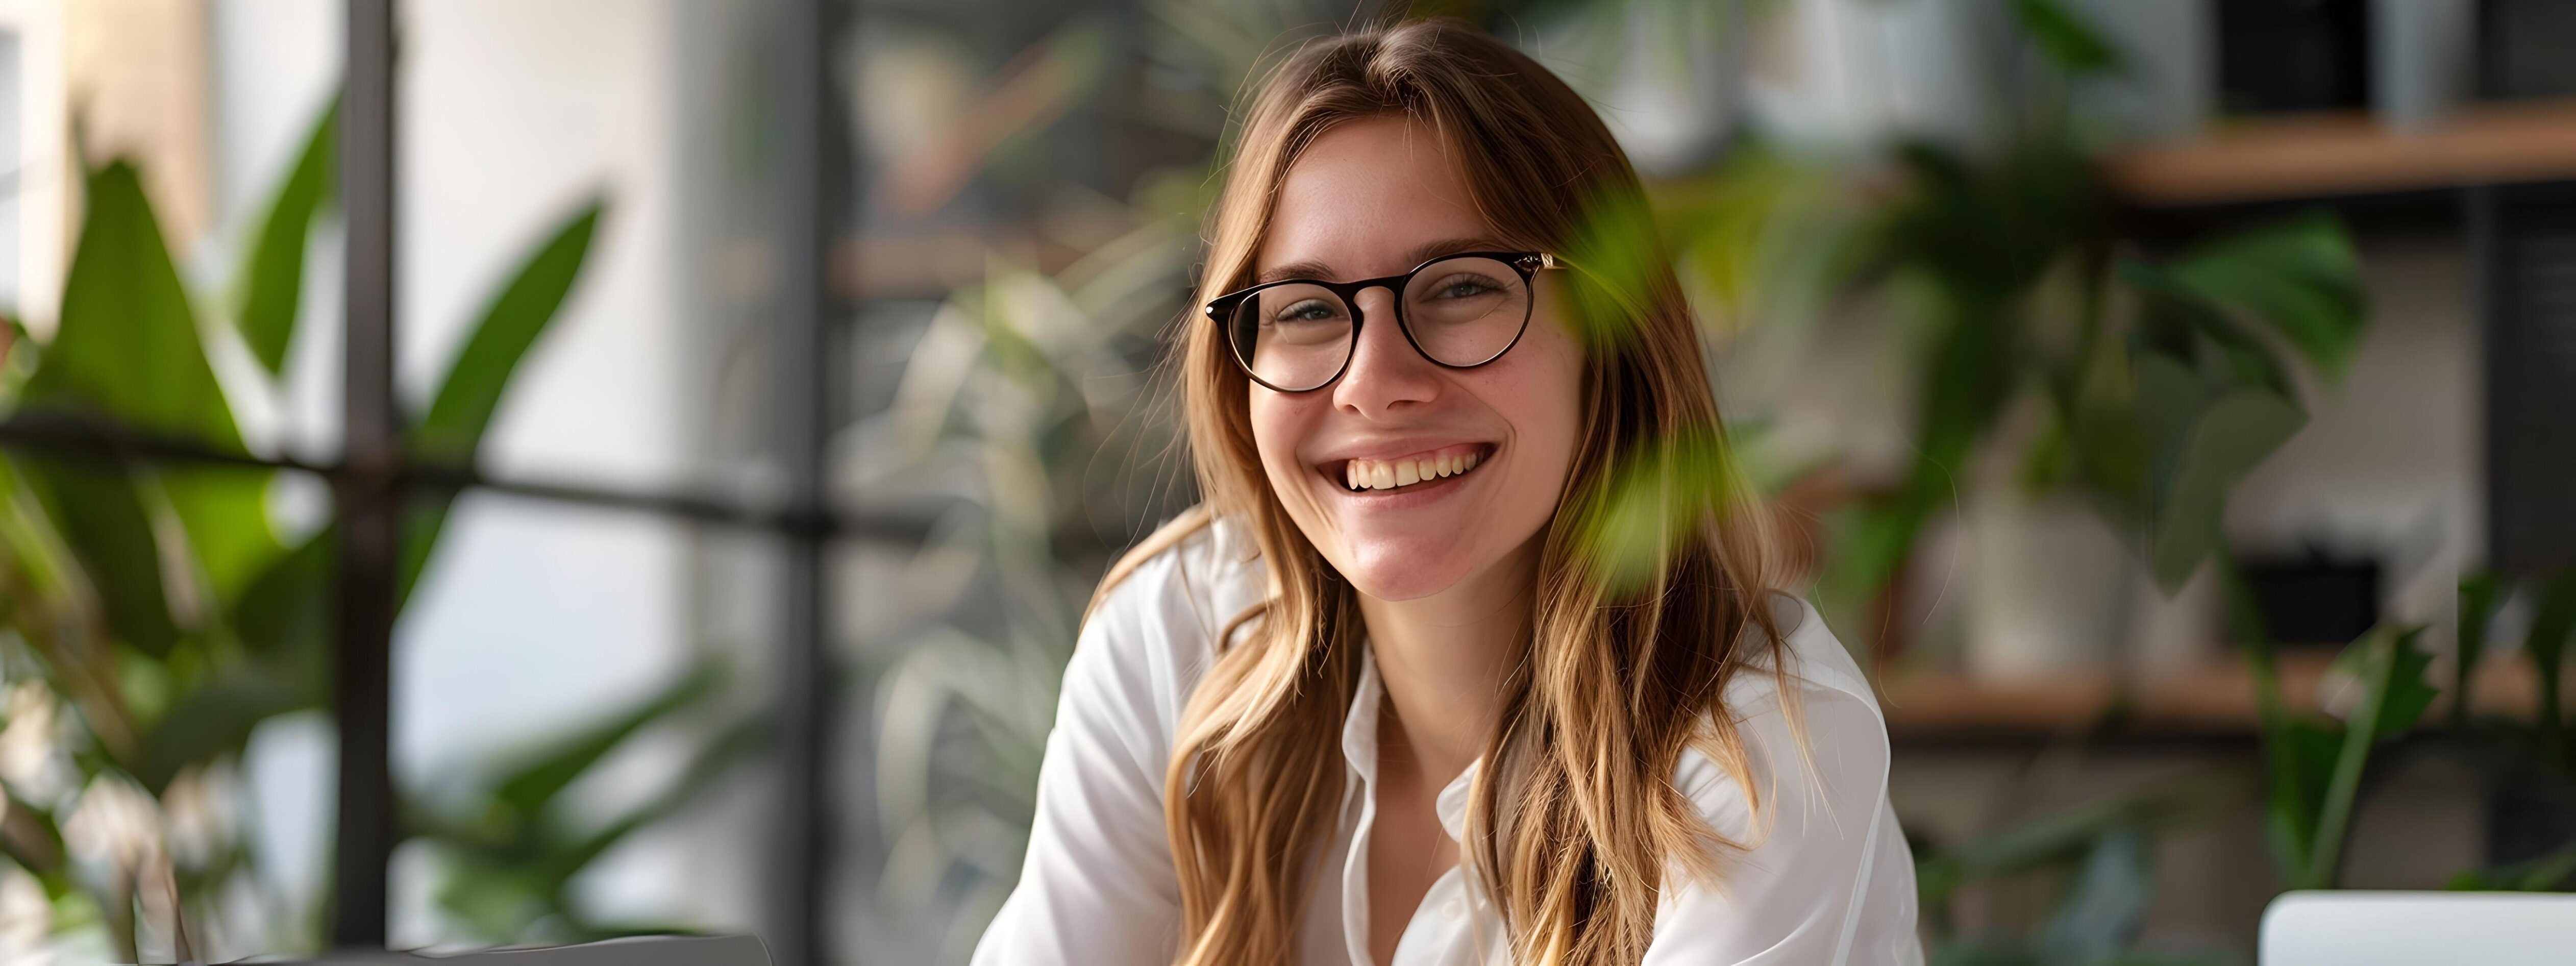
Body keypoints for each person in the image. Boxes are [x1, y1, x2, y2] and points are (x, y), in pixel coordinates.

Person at [971, 17, 1918, 966]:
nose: (1373, 380)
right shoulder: (1175, 640)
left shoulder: (1760, 751)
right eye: (1305, 309)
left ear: (1609, 342)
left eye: (1461, 288)